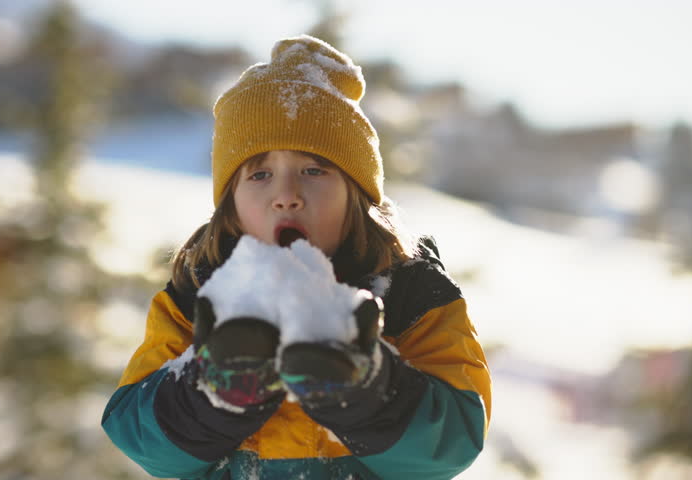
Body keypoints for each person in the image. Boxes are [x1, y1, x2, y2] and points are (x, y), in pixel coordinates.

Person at [102, 34, 491, 480]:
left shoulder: (411, 293)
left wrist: (366, 392)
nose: (286, 196)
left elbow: (453, 442)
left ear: (356, 193)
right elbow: (141, 440)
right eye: (260, 174)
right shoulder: (197, 298)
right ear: (231, 203)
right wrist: (213, 394)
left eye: (314, 170)